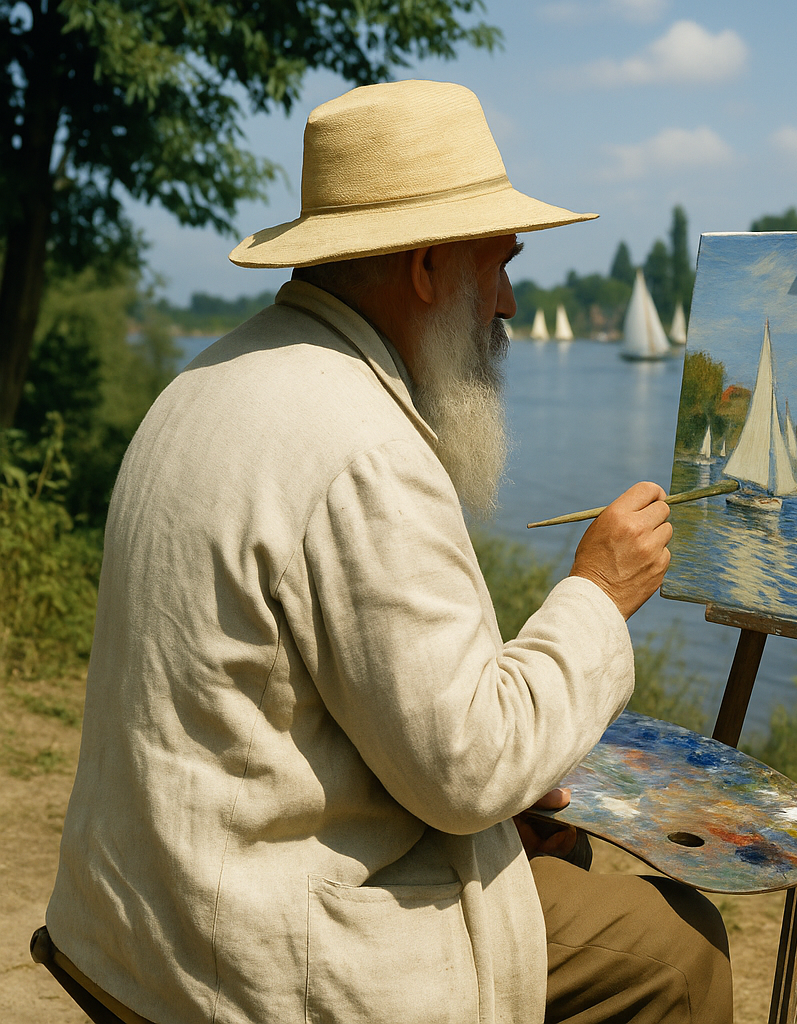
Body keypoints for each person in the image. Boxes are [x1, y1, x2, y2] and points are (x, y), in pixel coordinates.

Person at [45, 79, 731, 1024]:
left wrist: (496, 803)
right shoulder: (362, 444)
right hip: (252, 958)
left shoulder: (210, 377)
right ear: (425, 266)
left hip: (139, 912)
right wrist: (597, 594)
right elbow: (469, 769)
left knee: (553, 860)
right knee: (673, 949)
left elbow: (284, 711)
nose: (510, 302)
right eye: (497, 264)